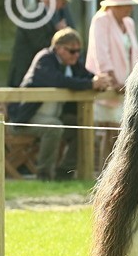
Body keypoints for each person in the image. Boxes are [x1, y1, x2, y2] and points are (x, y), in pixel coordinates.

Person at [8, 28, 114, 181]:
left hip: (52, 116)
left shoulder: (72, 63)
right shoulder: (45, 58)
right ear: (58, 48)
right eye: (72, 51)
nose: (76, 55)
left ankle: (65, 172)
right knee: (53, 128)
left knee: (83, 127)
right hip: (26, 119)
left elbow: (86, 77)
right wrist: (91, 83)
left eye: (78, 51)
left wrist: (101, 81)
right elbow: (57, 80)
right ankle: (44, 175)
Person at [85, 0, 138, 124]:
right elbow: (101, 53)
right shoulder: (101, 20)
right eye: (126, 5)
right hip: (109, 85)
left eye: (130, 4)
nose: (130, 8)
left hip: (126, 85)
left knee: (122, 127)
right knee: (108, 128)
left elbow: (135, 52)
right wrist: (113, 81)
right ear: (114, 6)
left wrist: (136, 80)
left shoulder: (129, 23)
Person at [7, 0, 76, 87]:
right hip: (27, 77)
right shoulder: (33, 15)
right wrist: (58, 33)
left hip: (50, 76)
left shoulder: (61, 12)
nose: (64, 5)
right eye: (61, 0)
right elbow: (39, 45)